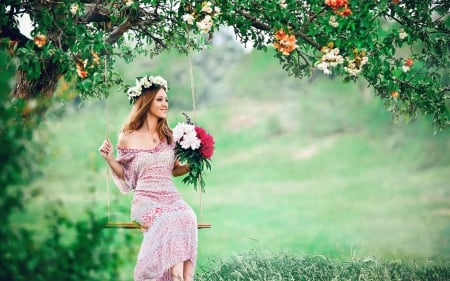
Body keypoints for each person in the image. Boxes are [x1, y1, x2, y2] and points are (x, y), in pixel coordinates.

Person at [98, 75, 197, 281]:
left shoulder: (169, 135)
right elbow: (125, 174)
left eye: (166, 100)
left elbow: (175, 169)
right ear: (147, 101)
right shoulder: (128, 136)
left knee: (187, 216)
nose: (165, 104)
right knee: (169, 219)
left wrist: (191, 166)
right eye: (160, 99)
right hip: (146, 200)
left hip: (171, 196)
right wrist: (109, 158)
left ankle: (178, 278)